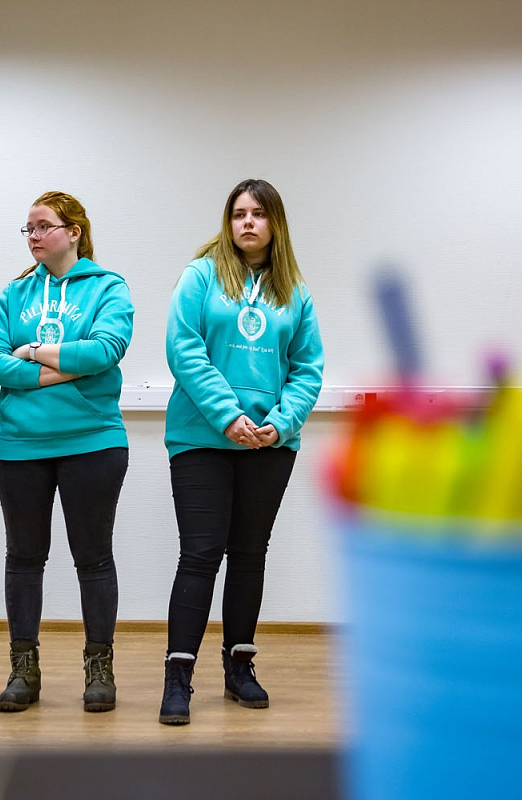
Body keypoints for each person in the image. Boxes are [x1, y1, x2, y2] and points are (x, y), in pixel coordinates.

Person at [159, 179, 324, 725]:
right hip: (202, 437)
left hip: (269, 444)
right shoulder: (200, 275)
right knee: (200, 553)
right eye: (238, 214)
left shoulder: (294, 291)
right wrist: (228, 415)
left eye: (258, 214)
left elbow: (307, 368)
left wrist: (281, 423)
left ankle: (239, 667)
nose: (247, 222)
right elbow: (183, 348)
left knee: (250, 553)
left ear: (275, 223)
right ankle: (178, 676)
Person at [0, 191, 133, 714]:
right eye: (29, 228)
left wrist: (31, 353)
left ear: (75, 232)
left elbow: (106, 350)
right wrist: (57, 372)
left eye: (44, 226)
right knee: (24, 558)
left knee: (93, 557)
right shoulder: (15, 292)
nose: (34, 236)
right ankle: (24, 668)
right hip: (19, 445)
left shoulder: (108, 287)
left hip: (93, 441)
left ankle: (99, 666)